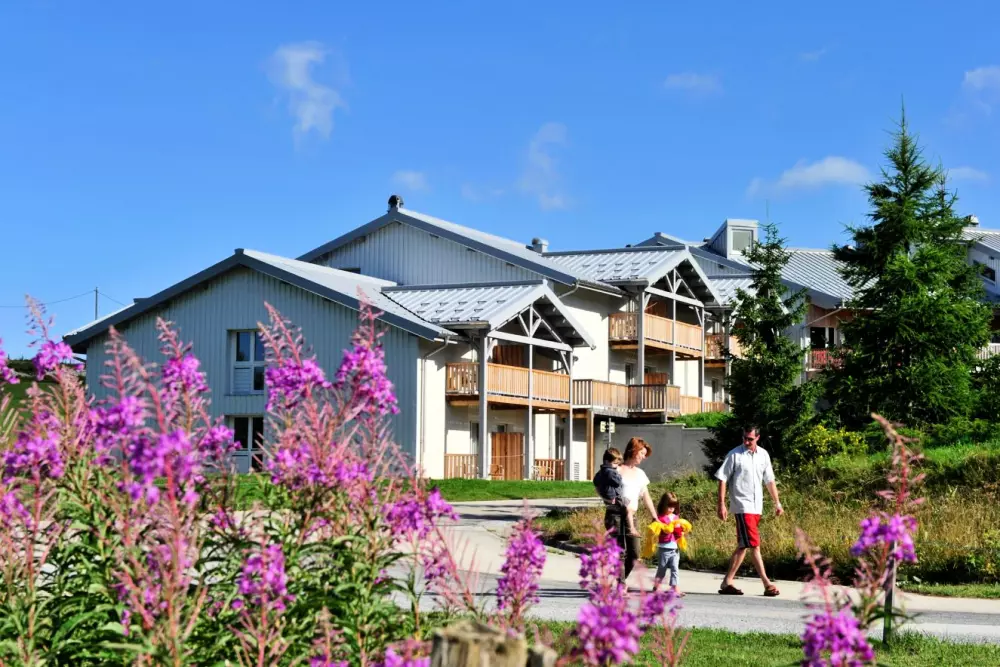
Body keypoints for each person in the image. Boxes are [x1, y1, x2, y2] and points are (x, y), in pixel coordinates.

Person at [714, 425, 784, 597]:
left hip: (756, 506)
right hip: (742, 505)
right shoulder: (735, 455)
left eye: (750, 439)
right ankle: (767, 584)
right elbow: (722, 479)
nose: (746, 441)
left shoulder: (763, 455)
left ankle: (727, 582)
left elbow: (769, 480)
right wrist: (721, 504)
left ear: (758, 438)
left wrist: (777, 502)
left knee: (744, 545)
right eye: (744, 438)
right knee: (754, 544)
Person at [617, 437, 658, 586]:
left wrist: (654, 516)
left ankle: (618, 579)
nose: (643, 457)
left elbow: (646, 497)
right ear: (633, 451)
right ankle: (620, 584)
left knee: (634, 553)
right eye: (641, 453)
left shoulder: (640, 473)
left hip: (632, 517)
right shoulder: (618, 470)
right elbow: (604, 488)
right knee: (620, 552)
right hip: (616, 516)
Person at [651, 491, 690, 596]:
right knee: (662, 569)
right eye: (669, 506)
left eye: (674, 506)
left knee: (675, 568)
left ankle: (674, 587)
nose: (671, 508)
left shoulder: (676, 518)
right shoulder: (660, 518)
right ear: (664, 505)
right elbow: (656, 530)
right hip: (664, 547)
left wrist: (681, 531)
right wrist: (665, 529)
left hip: (674, 547)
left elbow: (679, 531)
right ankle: (657, 585)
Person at [593, 448, 637, 537]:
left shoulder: (600, 472)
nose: (616, 466)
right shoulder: (610, 471)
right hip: (614, 496)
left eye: (617, 464)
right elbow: (618, 482)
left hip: (608, 498)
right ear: (607, 461)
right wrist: (618, 474)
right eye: (615, 463)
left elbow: (595, 482)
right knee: (627, 503)